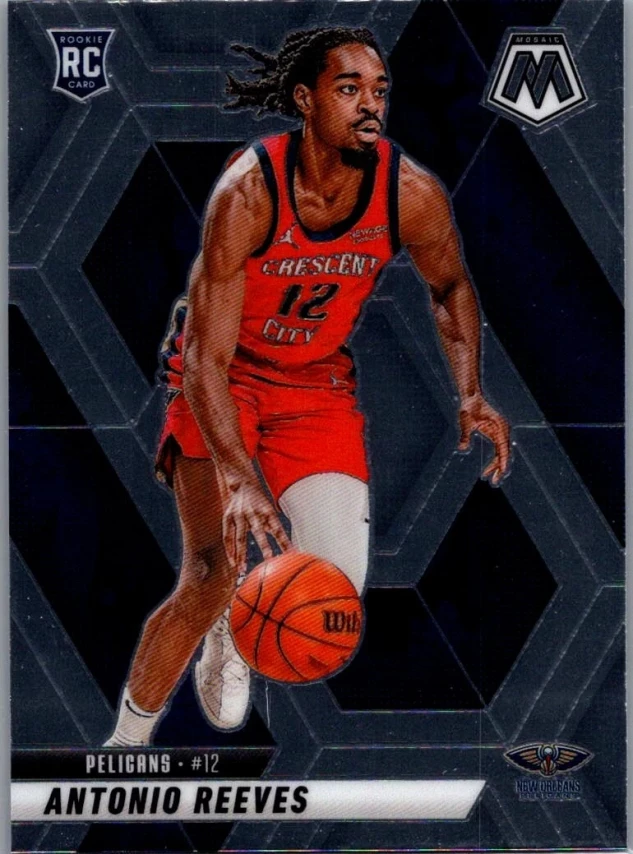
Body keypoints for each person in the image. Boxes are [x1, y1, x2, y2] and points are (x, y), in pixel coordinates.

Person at [105, 26, 510, 746]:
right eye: (349, 89)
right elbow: (204, 359)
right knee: (208, 573)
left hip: (314, 383)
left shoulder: (410, 194)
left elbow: (449, 287)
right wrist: (239, 477)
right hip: (222, 374)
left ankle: (238, 628)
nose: (370, 104)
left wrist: (470, 391)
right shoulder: (249, 192)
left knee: (330, 594)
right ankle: (126, 745)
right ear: (305, 98)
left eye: (379, 90)